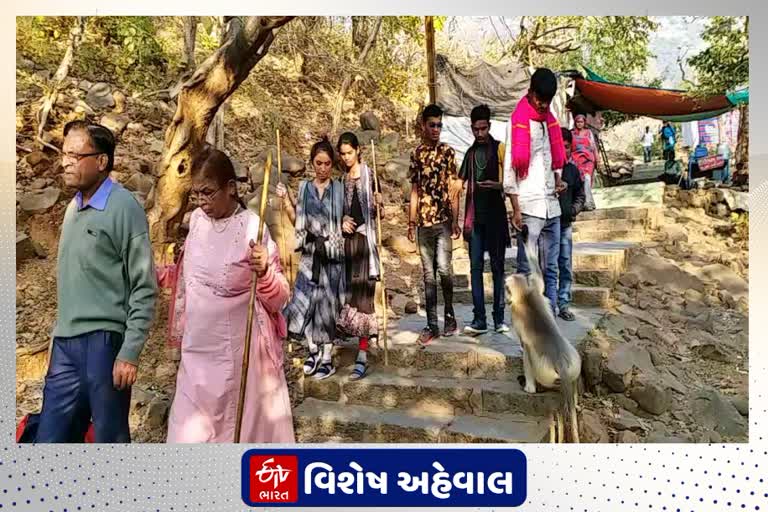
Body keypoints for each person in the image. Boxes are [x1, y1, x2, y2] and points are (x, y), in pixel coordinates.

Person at [36, 121, 158, 443]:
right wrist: (56, 336)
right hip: (65, 345)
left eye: (76, 156)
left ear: (101, 162)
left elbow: (144, 286)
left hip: (105, 343)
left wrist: (129, 351)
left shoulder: (124, 208)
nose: (66, 162)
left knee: (109, 438)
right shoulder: (72, 209)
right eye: (65, 154)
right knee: (51, 437)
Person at [164, 146, 294, 443]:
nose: (201, 202)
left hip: (239, 359)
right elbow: (189, 275)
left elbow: (280, 297)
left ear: (231, 188)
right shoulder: (196, 220)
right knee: (186, 435)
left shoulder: (252, 228)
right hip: (196, 354)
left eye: (208, 193)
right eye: (196, 194)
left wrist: (264, 273)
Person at [278, 137, 345, 380]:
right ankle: (313, 350)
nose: (323, 168)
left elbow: (347, 216)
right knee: (304, 302)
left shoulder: (339, 188)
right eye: (319, 163)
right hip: (309, 252)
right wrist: (285, 199)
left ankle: (327, 357)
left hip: (332, 252)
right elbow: (296, 219)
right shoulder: (305, 188)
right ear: (312, 163)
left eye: (327, 163)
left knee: (326, 304)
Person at [504, 68, 567, 315]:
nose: (543, 105)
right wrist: (515, 209)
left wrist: (558, 180)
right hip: (529, 207)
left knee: (551, 269)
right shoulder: (518, 120)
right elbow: (510, 167)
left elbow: (554, 160)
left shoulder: (550, 121)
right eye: (540, 99)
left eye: (547, 101)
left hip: (552, 205)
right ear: (530, 93)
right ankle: (528, 330)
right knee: (526, 270)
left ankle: (549, 323)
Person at [408, 104, 460, 346]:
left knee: (444, 270)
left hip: (443, 221)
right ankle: (432, 324)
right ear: (423, 126)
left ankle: (450, 316)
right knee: (429, 275)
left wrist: (456, 220)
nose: (436, 129)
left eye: (439, 125)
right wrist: (411, 221)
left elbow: (454, 188)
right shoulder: (417, 154)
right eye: (432, 125)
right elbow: (415, 189)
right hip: (423, 223)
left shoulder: (448, 153)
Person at [459, 104, 510, 335]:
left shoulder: (500, 149)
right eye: (476, 129)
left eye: (483, 128)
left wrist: (498, 185)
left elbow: (512, 183)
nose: (480, 133)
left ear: (489, 126)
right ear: (471, 128)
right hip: (476, 220)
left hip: (497, 218)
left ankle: (499, 318)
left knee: (498, 268)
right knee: (475, 268)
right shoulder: (470, 154)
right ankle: (479, 319)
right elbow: (458, 183)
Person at [335, 132, 383, 380]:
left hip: (364, 243)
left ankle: (362, 355)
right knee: (350, 294)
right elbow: (337, 212)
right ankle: (355, 344)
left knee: (364, 296)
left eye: (349, 153)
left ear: (358, 150)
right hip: (347, 245)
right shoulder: (341, 180)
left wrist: (378, 203)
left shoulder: (368, 174)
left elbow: (377, 213)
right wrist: (341, 220)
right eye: (342, 154)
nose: (346, 158)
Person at [557, 129, 586, 321]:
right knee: (547, 266)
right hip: (547, 224)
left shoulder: (573, 171)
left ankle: (564, 303)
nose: (562, 150)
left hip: (565, 224)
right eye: (559, 147)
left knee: (565, 265)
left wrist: (572, 210)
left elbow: (580, 196)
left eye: (566, 147)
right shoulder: (547, 170)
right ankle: (548, 303)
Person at [571, 114, 597, 211]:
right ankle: (587, 202)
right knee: (580, 182)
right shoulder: (572, 133)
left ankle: (588, 204)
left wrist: (597, 159)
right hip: (576, 161)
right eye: (578, 122)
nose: (579, 124)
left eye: (581, 122)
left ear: (584, 123)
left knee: (587, 179)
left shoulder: (588, 132)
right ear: (575, 123)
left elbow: (593, 147)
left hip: (588, 161)